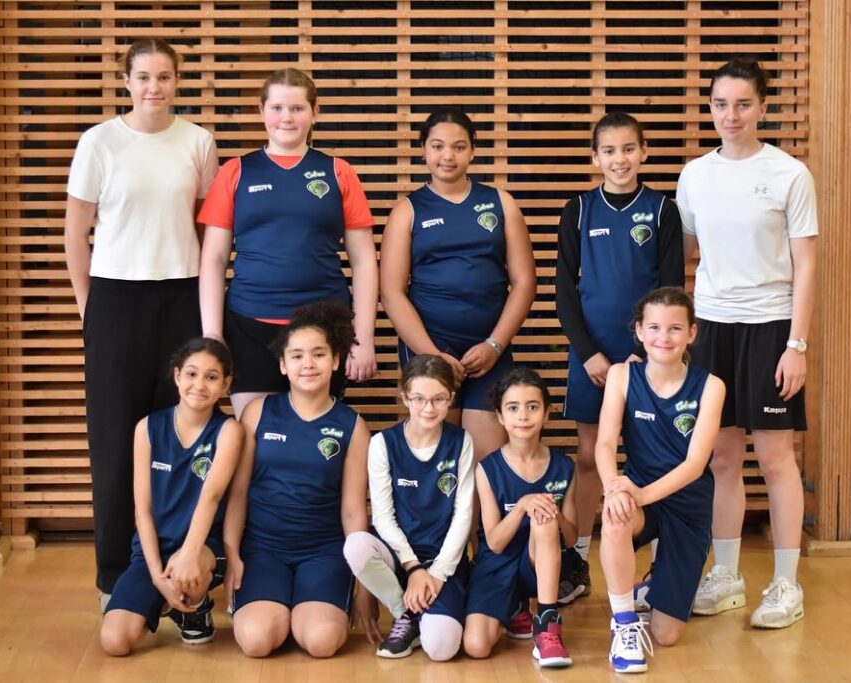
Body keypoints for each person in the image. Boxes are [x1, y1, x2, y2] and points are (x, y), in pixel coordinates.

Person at [65, 38, 220, 607]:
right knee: (114, 440)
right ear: (126, 81)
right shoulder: (99, 142)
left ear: (177, 81)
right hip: (115, 298)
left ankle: (184, 570)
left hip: (181, 295)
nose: (154, 87)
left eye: (164, 77)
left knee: (181, 433)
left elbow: (206, 231)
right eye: (144, 77)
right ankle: (115, 576)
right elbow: (75, 232)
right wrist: (89, 307)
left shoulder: (198, 141)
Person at [676, 57, 818, 629]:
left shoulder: (789, 174)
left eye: (742, 104)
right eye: (720, 104)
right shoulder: (694, 175)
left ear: (762, 107)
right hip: (712, 327)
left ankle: (786, 584)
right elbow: (683, 251)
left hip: (770, 327)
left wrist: (796, 345)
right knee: (721, 457)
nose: (730, 115)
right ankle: (727, 575)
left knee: (776, 458)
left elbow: (807, 266)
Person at [198, 68, 378, 417]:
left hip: (325, 326)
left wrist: (363, 337)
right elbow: (213, 260)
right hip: (249, 325)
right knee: (255, 434)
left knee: (313, 434)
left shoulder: (339, 172)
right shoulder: (235, 171)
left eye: (297, 108)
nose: (287, 118)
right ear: (261, 111)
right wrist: (212, 335)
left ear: (315, 112)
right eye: (277, 108)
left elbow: (364, 261)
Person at [556, 112, 685, 599]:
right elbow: (564, 292)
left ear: (644, 152)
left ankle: (660, 568)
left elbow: (671, 291)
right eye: (609, 151)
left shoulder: (662, 210)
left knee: (656, 459)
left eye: (629, 149)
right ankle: (578, 559)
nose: (619, 159)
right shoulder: (579, 210)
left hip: (650, 358)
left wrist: (646, 355)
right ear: (595, 157)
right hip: (592, 359)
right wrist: (589, 353)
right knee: (591, 456)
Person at [222, 300, 380, 658]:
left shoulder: (353, 426)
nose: (308, 363)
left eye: (318, 354)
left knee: (322, 642)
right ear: (282, 365)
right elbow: (238, 493)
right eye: (296, 356)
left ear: (335, 360)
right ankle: (277, 608)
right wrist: (232, 556)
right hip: (263, 549)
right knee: (256, 641)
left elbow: (353, 512)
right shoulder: (257, 412)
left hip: (323, 551)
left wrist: (365, 584)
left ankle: (304, 609)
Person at [380, 107, 537, 459]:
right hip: (430, 347)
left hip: (489, 350)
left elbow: (525, 282)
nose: (447, 156)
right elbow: (391, 292)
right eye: (437, 146)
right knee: (438, 456)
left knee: (485, 458)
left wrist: (495, 344)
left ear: (473, 151)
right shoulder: (407, 210)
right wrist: (431, 354)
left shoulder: (501, 203)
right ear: (424, 150)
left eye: (458, 146)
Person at [595, 288, 725, 673]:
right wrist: (614, 487)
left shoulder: (711, 386)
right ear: (638, 331)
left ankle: (656, 585)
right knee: (615, 516)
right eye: (653, 327)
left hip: (687, 505)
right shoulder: (621, 375)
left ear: (692, 333)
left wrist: (639, 493)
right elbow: (604, 443)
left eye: (674, 328)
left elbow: (695, 464)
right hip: (639, 497)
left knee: (667, 634)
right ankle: (624, 624)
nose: (663, 337)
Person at [99, 338, 244, 655]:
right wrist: (156, 576)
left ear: (225, 384)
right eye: (191, 374)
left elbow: (211, 497)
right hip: (153, 549)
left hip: (203, 547)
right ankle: (167, 599)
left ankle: (195, 607)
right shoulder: (147, 428)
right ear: (177, 376)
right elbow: (143, 510)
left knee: (188, 568)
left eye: (211, 377)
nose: (199, 385)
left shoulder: (229, 430)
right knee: (114, 641)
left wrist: (189, 554)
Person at [344, 354, 474, 661]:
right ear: (405, 397)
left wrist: (437, 573)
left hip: (443, 561)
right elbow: (383, 518)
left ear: (450, 398)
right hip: (400, 558)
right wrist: (413, 568)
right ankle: (404, 612)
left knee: (441, 649)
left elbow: (464, 514)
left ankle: (426, 612)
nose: (428, 408)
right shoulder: (383, 443)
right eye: (419, 399)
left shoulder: (461, 441)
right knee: (356, 545)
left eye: (439, 399)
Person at [463, 368, 577, 669]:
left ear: (547, 413)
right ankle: (514, 607)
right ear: (500, 416)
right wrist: (522, 505)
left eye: (532, 407)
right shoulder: (487, 469)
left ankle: (547, 625)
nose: (523, 416)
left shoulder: (564, 466)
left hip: (539, 561)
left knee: (544, 518)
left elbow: (571, 539)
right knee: (476, 646)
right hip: (497, 563)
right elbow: (495, 543)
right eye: (513, 408)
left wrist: (552, 512)